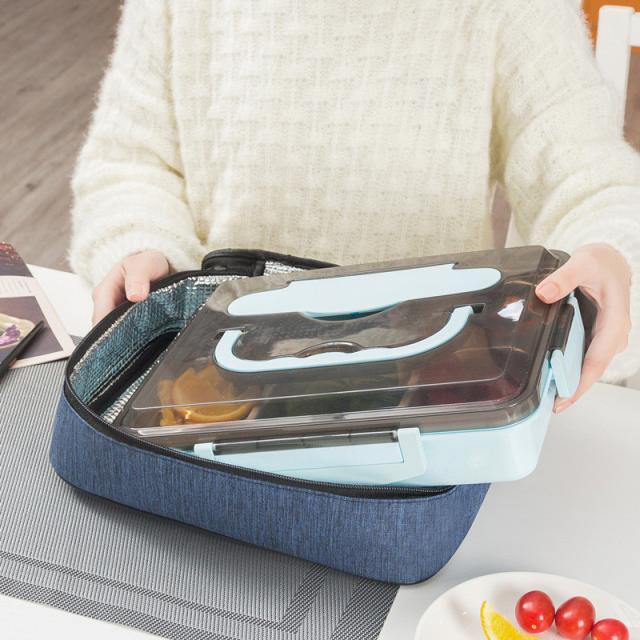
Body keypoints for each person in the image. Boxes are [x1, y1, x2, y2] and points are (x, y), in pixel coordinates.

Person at [70, 0, 639, 411]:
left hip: (426, 393)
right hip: (216, 387)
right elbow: (129, 163)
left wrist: (612, 251)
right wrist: (144, 245)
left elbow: (584, 171)